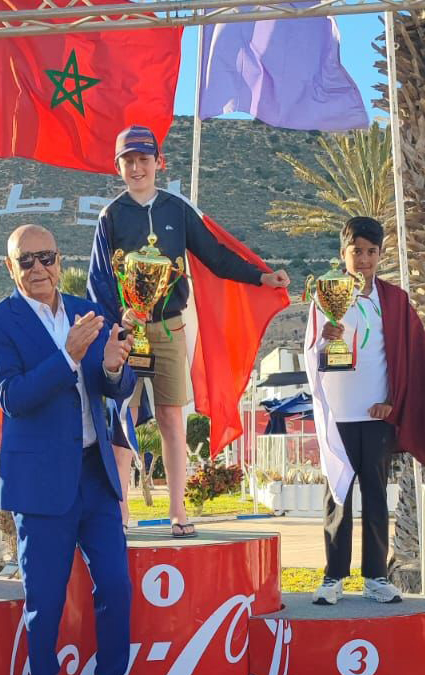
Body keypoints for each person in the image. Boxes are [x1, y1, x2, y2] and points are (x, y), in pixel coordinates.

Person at [88, 124, 290, 536]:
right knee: (123, 421)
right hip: (128, 335)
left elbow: (215, 258)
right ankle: (121, 513)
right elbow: (99, 282)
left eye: (144, 160)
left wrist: (260, 278)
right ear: (117, 167)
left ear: (158, 163)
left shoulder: (176, 209)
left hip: (169, 328)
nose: (137, 168)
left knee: (171, 420)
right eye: (129, 161)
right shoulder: (110, 216)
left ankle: (178, 510)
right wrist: (118, 322)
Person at [0, 224, 136, 675]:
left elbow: (116, 384)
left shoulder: (88, 312)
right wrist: (67, 356)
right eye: (25, 261)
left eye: (45, 257)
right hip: (41, 485)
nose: (38, 268)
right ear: (10, 268)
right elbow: (12, 397)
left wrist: (110, 366)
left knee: (116, 588)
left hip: (95, 474)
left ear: (59, 259)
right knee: (44, 604)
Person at [305, 216, 425, 606]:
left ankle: (377, 576)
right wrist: (325, 342)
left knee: (377, 496)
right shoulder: (325, 295)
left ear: (381, 255)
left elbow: (409, 358)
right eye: (356, 251)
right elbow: (313, 357)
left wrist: (393, 403)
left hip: (376, 416)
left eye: (371, 252)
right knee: (338, 496)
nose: (363, 259)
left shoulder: (394, 300)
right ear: (342, 254)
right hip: (339, 418)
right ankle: (333, 577)